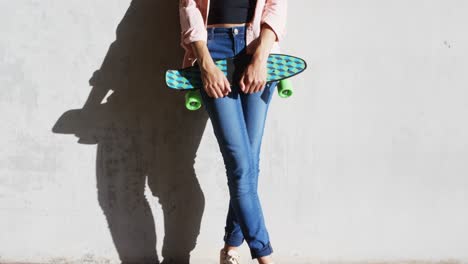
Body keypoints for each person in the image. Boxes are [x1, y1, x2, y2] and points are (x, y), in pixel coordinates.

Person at [178, 0, 287, 263]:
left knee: (250, 164)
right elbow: (188, 7)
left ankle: (230, 248)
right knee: (239, 163)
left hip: (256, 48)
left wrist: (261, 57)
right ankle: (264, 256)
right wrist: (205, 63)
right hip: (213, 49)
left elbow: (276, 6)